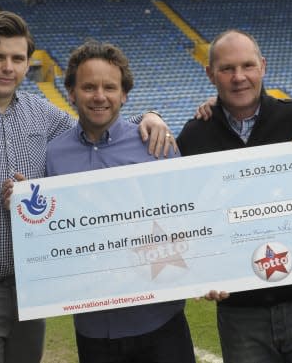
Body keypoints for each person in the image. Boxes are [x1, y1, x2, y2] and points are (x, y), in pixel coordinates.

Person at [0, 11, 177, 363]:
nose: (8, 67)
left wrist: (148, 117)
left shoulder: (41, 113)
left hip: (29, 289)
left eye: (18, 59)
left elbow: (97, 126)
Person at [178, 29, 292, 363]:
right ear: (210, 74)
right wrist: (204, 274)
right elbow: (189, 218)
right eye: (226, 69)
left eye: (247, 66)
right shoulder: (195, 136)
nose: (239, 77)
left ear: (263, 67)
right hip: (240, 312)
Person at [44, 39, 196, 363]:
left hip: (160, 322)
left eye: (109, 87)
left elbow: (189, 219)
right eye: (88, 87)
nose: (99, 96)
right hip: (94, 328)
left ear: (124, 94)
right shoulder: (53, 155)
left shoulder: (156, 144)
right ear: (71, 92)